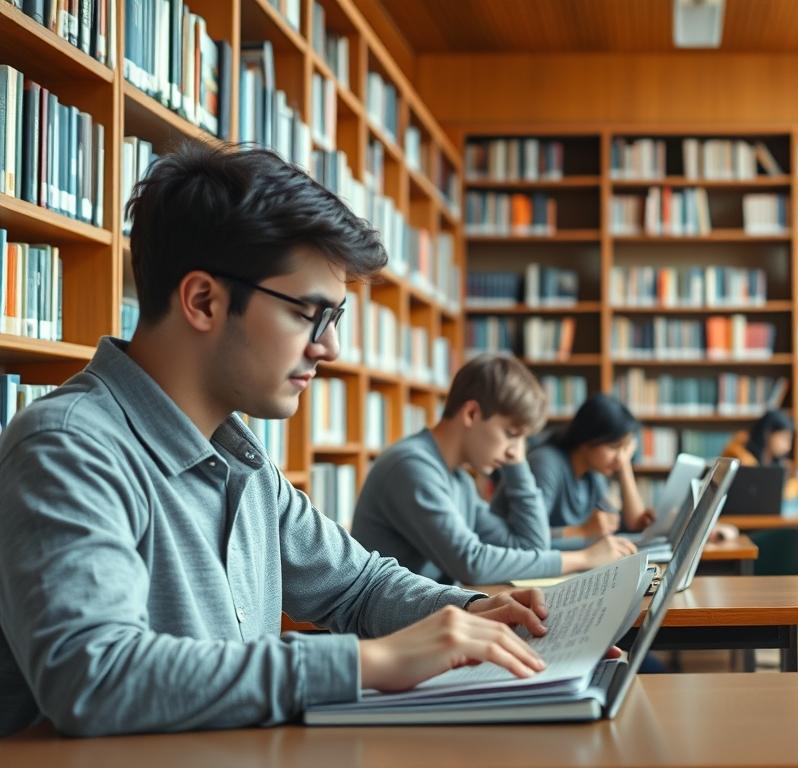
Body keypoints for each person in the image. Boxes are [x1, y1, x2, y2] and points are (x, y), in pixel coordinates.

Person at [0, 145, 552, 737]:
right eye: (310, 313)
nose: (330, 348)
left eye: (334, 319)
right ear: (204, 301)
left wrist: (470, 612)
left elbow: (358, 585)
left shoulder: (243, 461)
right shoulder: (67, 447)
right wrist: (375, 662)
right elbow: (96, 677)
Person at [351, 355, 637, 585]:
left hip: (429, 625)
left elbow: (528, 546)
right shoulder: (412, 467)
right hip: (395, 641)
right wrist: (583, 558)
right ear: (472, 414)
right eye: (511, 433)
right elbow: (472, 564)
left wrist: (517, 465)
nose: (516, 451)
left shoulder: (459, 480)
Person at [530, 394, 654, 538]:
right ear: (586, 439)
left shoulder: (593, 472)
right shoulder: (546, 464)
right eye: (614, 446)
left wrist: (624, 464)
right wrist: (582, 531)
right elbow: (528, 537)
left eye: (626, 448)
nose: (620, 458)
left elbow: (634, 522)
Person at [722, 409, 798, 500]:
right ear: (767, 433)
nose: (788, 446)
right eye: (784, 438)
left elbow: (792, 489)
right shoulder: (739, 456)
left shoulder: (778, 462)